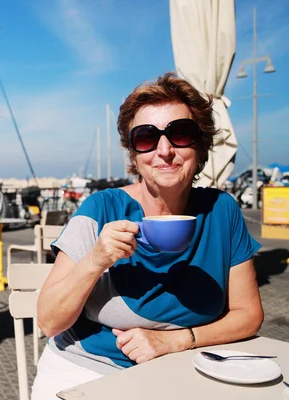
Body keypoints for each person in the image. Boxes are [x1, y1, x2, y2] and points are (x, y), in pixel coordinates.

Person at [33, 72, 264, 399]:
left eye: (180, 133)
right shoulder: (102, 208)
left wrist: (176, 341)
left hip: (189, 368)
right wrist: (96, 260)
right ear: (134, 153)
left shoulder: (222, 211)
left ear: (200, 145)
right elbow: (49, 322)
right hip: (86, 370)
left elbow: (249, 314)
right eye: (146, 138)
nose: (165, 150)